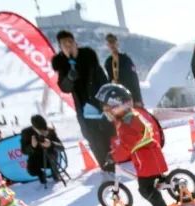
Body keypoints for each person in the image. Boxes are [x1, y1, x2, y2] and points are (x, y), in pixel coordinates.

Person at [96, 84, 170, 206]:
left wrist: (114, 156)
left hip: (147, 159)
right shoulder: (129, 118)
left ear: (118, 106)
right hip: (149, 155)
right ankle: (166, 183)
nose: (107, 113)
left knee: (145, 189)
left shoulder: (127, 124)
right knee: (155, 181)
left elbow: (127, 146)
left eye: (109, 109)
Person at [52, 30, 114, 169]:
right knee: (93, 138)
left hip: (100, 105)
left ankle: (118, 161)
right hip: (84, 111)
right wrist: (69, 77)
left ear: (75, 43)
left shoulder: (89, 57)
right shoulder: (62, 64)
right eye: (64, 44)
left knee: (109, 134)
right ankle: (106, 167)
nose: (68, 46)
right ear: (61, 48)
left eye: (70, 42)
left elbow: (103, 81)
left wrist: (106, 102)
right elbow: (64, 87)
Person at [20, 115, 64, 188]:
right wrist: (32, 146)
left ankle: (55, 173)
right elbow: (24, 151)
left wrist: (51, 144)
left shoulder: (50, 131)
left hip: (50, 157)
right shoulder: (26, 133)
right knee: (31, 170)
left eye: (44, 130)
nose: (42, 133)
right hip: (36, 158)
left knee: (51, 154)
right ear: (34, 128)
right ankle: (41, 174)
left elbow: (61, 147)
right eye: (40, 131)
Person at [103, 33, 143, 108]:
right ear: (107, 45)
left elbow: (134, 79)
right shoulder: (108, 62)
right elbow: (109, 81)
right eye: (110, 43)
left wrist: (138, 99)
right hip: (117, 98)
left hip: (129, 95)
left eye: (113, 42)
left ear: (117, 44)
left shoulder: (126, 59)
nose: (112, 45)